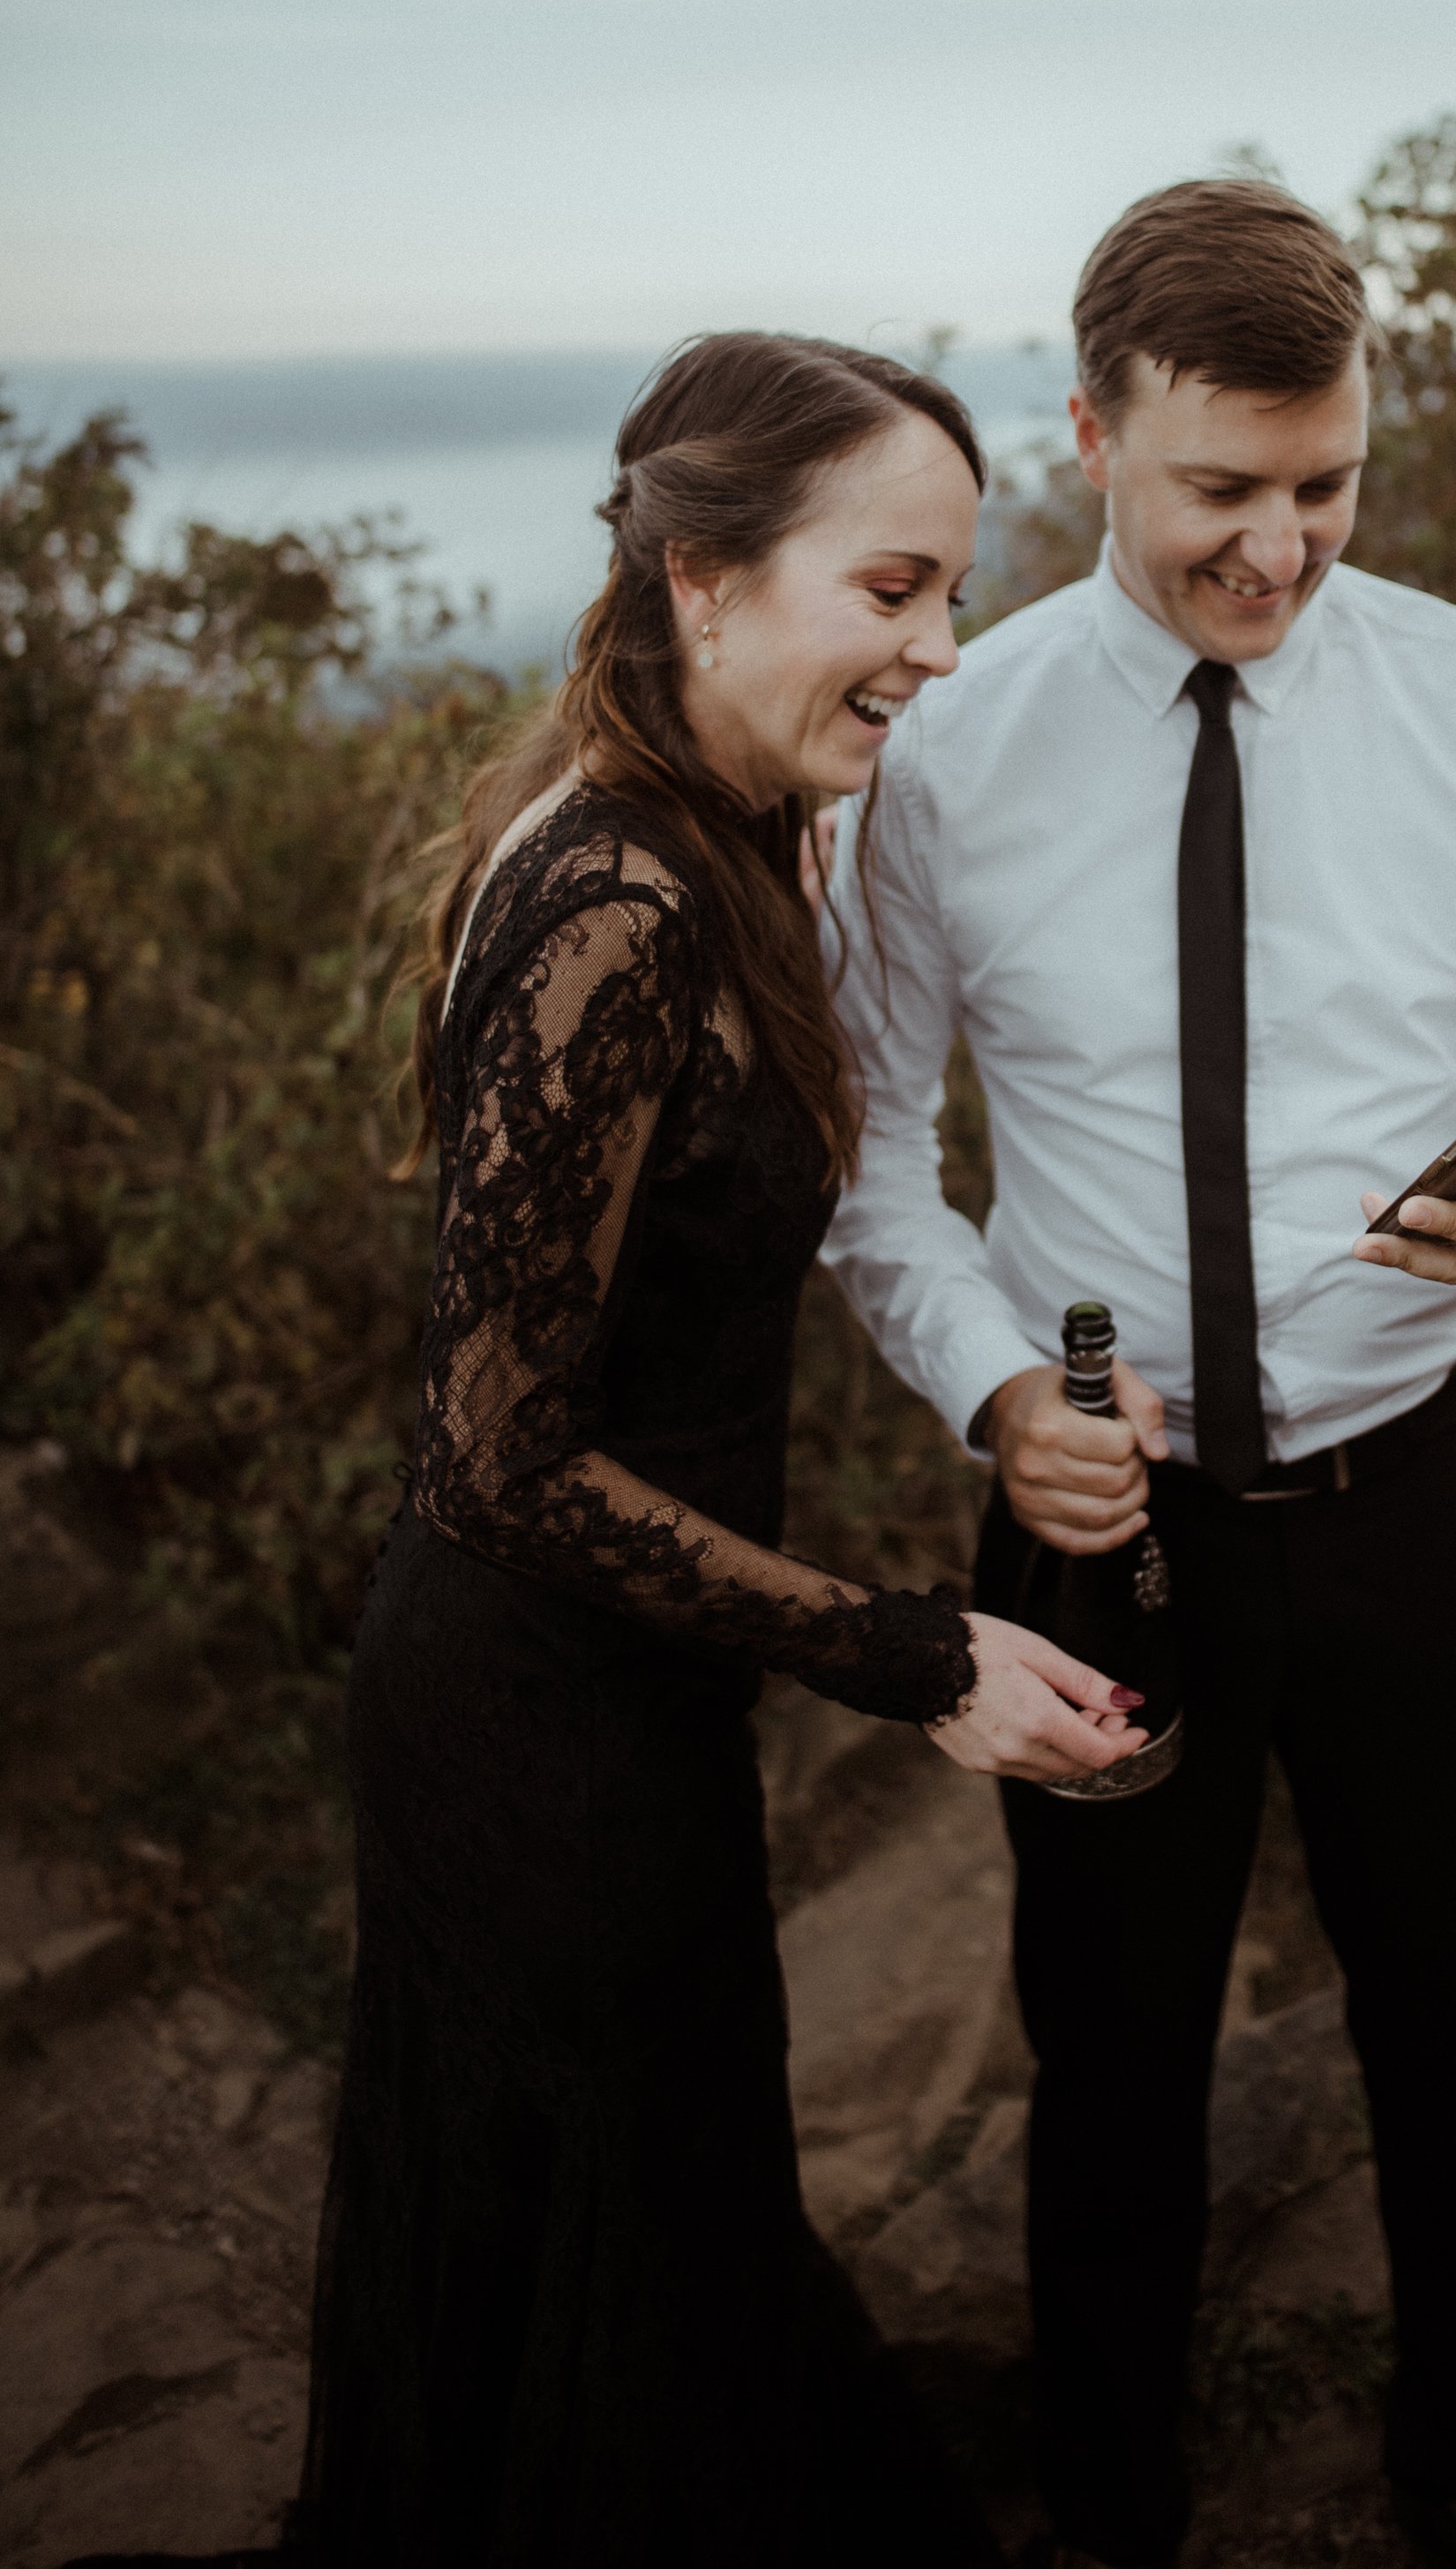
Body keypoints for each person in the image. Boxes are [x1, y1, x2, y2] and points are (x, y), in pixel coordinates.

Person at [821, 184, 1456, 2569]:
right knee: (1106, 2059)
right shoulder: (941, 753)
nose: (1280, 547)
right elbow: (873, 1163)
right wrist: (999, 1395)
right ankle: (1112, 2507)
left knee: (1447, 2005)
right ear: (1092, 435)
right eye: (1221, 491)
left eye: (1324, 485)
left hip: (1423, 1489)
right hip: (1102, 1524)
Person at [287, 333, 1149, 2569]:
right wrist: (909, 1653)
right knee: (626, 2287)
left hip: (625, 1705)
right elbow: (490, 1457)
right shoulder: (620, 905)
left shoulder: (732, 837)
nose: (936, 652)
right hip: (525, 1722)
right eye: (890, 592)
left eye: (954, 596)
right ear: (699, 578)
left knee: (630, 2270)